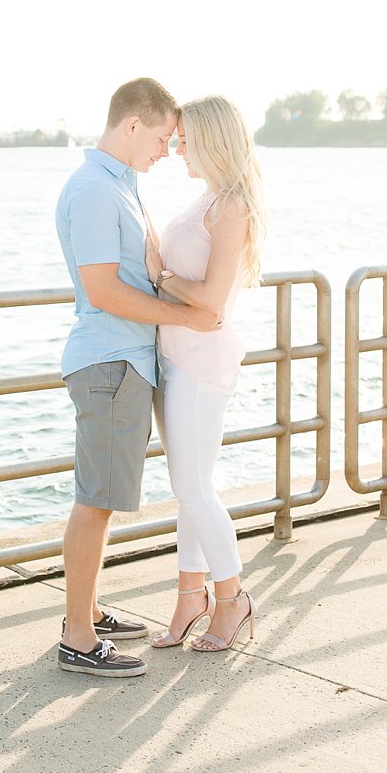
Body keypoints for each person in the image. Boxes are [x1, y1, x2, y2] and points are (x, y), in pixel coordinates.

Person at [54, 77, 222, 678]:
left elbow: (144, 270)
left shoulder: (120, 184)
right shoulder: (98, 189)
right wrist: (186, 317)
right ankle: (77, 638)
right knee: (95, 501)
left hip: (124, 360)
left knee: (99, 495)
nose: (166, 150)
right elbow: (103, 289)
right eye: (160, 137)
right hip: (109, 361)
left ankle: (89, 611)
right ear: (132, 125)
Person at [145, 95, 266, 653]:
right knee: (189, 489)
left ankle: (232, 598)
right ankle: (190, 595)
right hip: (177, 358)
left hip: (201, 362)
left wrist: (160, 274)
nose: (177, 148)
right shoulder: (209, 199)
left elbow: (214, 303)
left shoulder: (232, 206)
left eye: (186, 139)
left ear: (214, 139)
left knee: (194, 489)